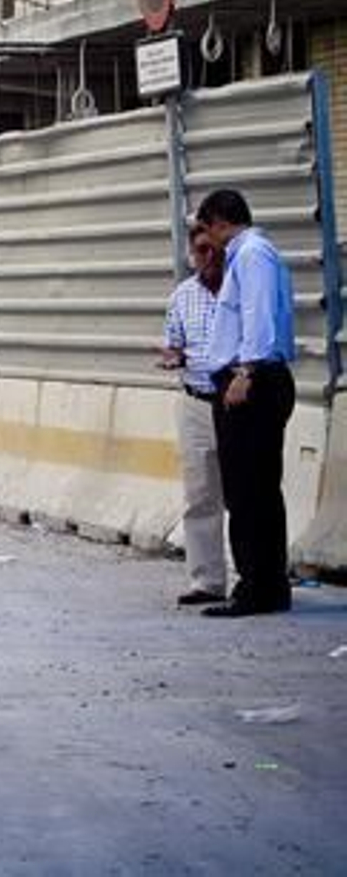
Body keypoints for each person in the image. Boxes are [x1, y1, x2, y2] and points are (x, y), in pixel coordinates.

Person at [197, 189, 296, 618]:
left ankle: (257, 587)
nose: (209, 242)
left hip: (251, 382)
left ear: (220, 221)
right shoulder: (255, 252)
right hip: (255, 379)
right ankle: (268, 585)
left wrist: (245, 372)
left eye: (207, 230)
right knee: (257, 488)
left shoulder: (252, 254)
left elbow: (257, 315)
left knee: (247, 490)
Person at [160, 222, 228, 607]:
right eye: (201, 250)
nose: (209, 257)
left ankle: (255, 577)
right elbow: (173, 344)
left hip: (235, 402)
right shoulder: (182, 297)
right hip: (195, 401)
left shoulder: (239, 293)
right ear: (192, 255)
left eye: (215, 249)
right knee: (200, 494)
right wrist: (172, 357)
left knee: (246, 493)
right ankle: (207, 581)